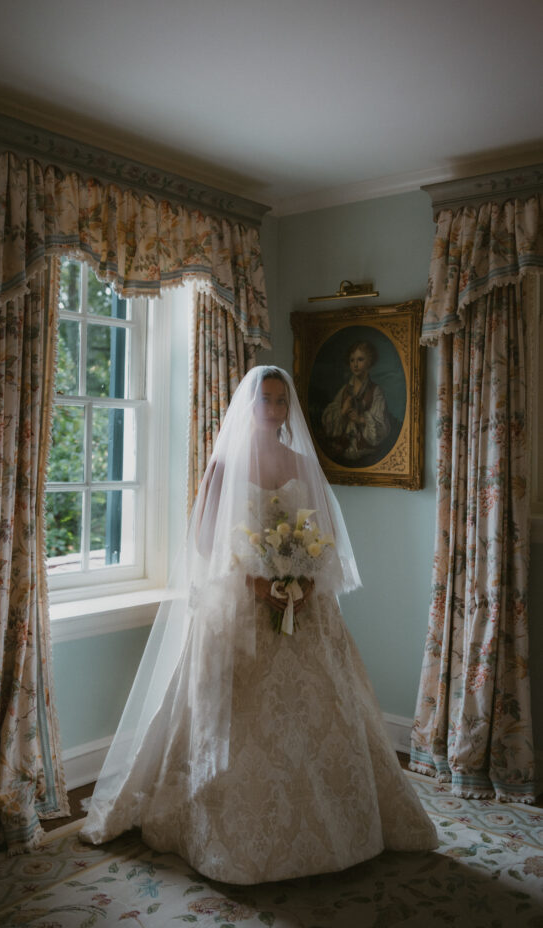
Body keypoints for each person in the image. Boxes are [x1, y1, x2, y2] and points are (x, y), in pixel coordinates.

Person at [79, 366, 437, 884]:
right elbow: (204, 544)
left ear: (287, 408)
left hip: (304, 607)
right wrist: (257, 584)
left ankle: (336, 824)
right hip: (241, 607)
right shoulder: (223, 466)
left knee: (325, 707)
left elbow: (326, 534)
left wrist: (306, 580)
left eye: (279, 401)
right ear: (248, 406)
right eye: (264, 400)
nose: (272, 409)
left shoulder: (300, 462)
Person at [321, 340, 393, 465]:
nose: (355, 364)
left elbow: (382, 427)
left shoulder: (376, 391)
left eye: (360, 359)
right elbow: (328, 423)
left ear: (369, 362)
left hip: (367, 453)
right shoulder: (345, 390)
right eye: (352, 360)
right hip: (343, 450)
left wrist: (361, 419)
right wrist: (342, 411)